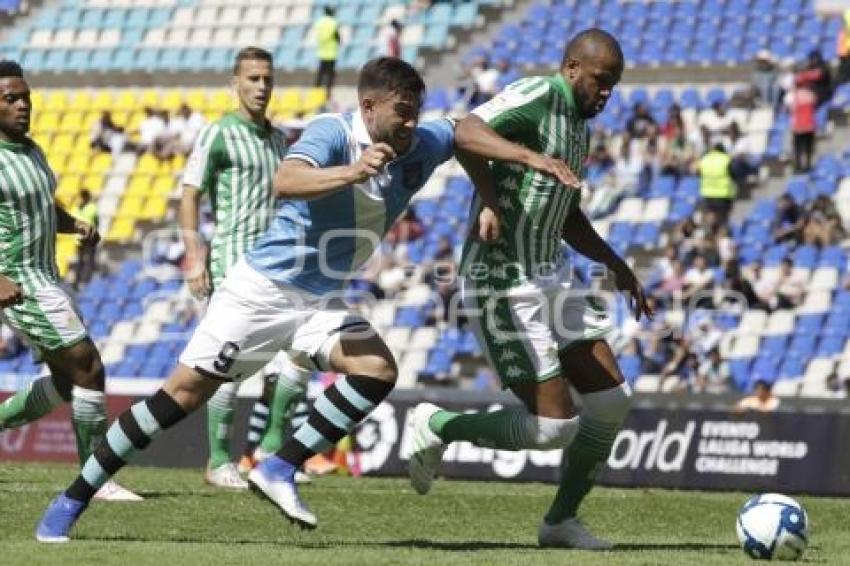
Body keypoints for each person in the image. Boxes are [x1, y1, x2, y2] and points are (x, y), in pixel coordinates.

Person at [35, 56, 579, 541]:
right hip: (260, 293)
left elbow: (464, 133)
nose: (412, 124)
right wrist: (352, 172)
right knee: (177, 399)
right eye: (402, 113)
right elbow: (286, 180)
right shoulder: (332, 133)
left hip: (316, 300)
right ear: (369, 106)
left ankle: (278, 468)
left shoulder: (421, 140)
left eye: (417, 112)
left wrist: (509, 176)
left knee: (376, 369)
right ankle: (72, 499)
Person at [407, 29, 652, 550]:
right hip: (504, 281)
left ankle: (560, 521)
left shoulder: (578, 127)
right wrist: (516, 170)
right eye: (601, 82)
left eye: (614, 86)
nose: (606, 94)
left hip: (552, 273)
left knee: (611, 402)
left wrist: (616, 264)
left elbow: (565, 216)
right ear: (570, 69)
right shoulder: (538, 96)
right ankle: (439, 424)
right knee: (554, 428)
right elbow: (466, 132)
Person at [0, 60, 139, 502]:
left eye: (26, 97)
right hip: (19, 282)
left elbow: (42, 208)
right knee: (88, 366)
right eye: (11, 99)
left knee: (67, 381)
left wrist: (74, 223)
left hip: (48, 278)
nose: (22, 106)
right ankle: (94, 479)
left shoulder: (33, 150)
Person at [177, 47, 312, 489]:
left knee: (299, 352)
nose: (260, 86)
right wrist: (194, 254)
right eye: (252, 79)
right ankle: (218, 461)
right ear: (235, 84)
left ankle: (271, 452)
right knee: (226, 364)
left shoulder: (279, 141)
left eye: (266, 79)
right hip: (231, 262)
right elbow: (190, 193)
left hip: (277, 265)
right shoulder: (217, 134)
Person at [697, 142, 735, 225]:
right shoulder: (726, 159)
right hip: (722, 195)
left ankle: (708, 234)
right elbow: (734, 174)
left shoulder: (705, 159)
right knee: (722, 221)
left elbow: (698, 173)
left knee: (709, 220)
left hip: (707, 194)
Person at [71, 189, 98, 290]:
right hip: (89, 237)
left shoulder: (75, 209)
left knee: (81, 261)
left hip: (80, 238)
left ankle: (77, 283)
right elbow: (96, 221)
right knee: (90, 260)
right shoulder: (92, 208)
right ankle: (87, 282)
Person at [313, 6, 340, 99]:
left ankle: (316, 93)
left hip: (321, 52)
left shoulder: (319, 22)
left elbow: (317, 35)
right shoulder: (333, 22)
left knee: (320, 74)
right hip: (331, 53)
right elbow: (337, 36)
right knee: (330, 75)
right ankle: (327, 94)